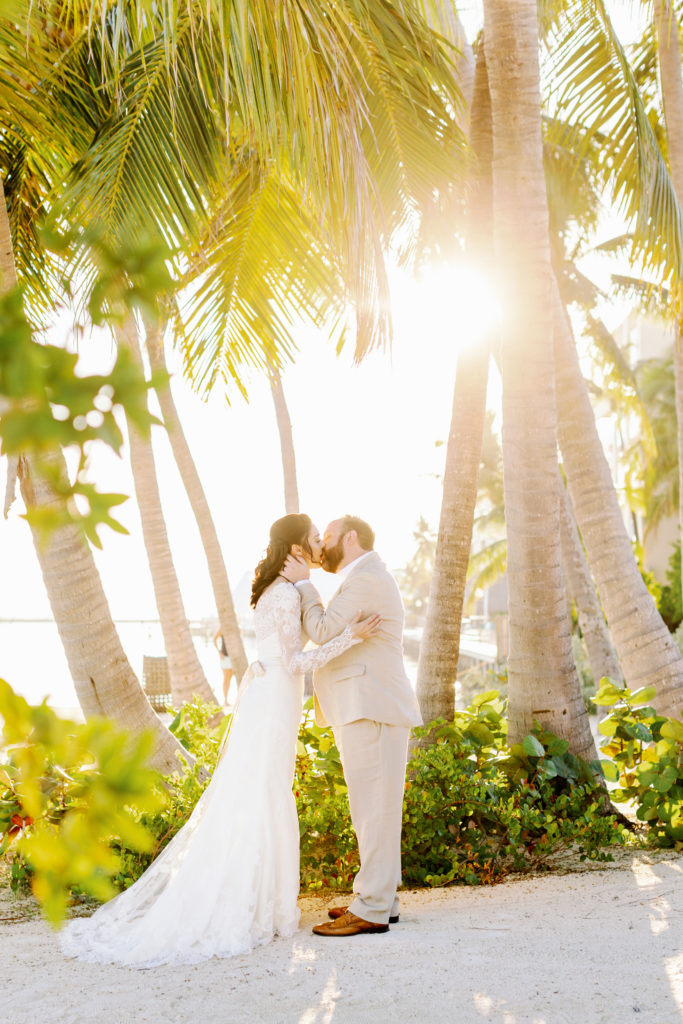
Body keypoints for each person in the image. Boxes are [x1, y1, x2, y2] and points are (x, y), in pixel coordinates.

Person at [60, 514, 381, 967]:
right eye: (311, 540)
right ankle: (253, 904)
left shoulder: (280, 590)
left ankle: (257, 899)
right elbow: (293, 662)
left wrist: (310, 588)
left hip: (269, 701)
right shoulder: (285, 593)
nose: (317, 546)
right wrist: (352, 637)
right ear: (294, 547)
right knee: (264, 794)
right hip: (272, 703)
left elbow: (282, 652)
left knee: (257, 794)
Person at [283, 515, 422, 937]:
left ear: (350, 537)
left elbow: (323, 630)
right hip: (365, 706)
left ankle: (373, 908)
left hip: (372, 707)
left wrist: (305, 584)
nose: (321, 547)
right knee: (371, 811)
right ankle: (381, 898)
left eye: (325, 538)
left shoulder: (367, 578)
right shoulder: (363, 577)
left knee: (375, 811)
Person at [212, 628, 235, 704]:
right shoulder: (223, 627)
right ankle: (225, 700)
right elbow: (214, 639)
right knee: (226, 678)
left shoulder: (237, 627)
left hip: (234, 658)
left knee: (231, 678)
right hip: (225, 657)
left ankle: (233, 699)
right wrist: (219, 652)